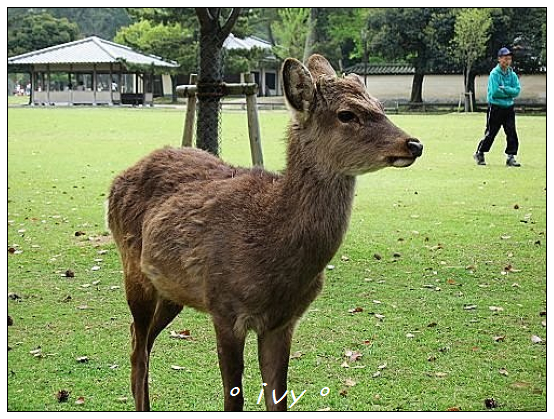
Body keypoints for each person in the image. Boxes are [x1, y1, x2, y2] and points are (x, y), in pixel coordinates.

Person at [474, 47, 521, 167]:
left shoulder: (512, 75)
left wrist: (505, 89)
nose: (507, 61)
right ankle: (480, 152)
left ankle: (511, 157)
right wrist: (508, 93)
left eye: (509, 59)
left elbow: (516, 91)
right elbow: (495, 92)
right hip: (495, 107)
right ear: (499, 59)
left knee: (511, 132)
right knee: (491, 133)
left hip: (509, 108)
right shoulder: (494, 74)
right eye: (505, 58)